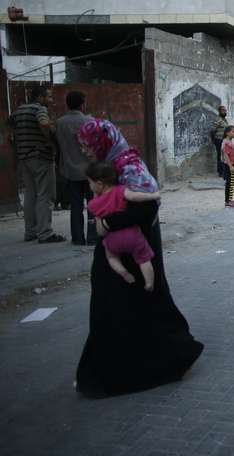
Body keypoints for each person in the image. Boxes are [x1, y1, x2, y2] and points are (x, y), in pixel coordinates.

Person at [75, 119, 203, 397]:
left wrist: (108, 224)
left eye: (88, 145)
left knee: (137, 307)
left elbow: (146, 207)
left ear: (102, 141)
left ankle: (159, 362)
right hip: (121, 249)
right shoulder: (108, 166)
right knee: (120, 310)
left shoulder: (128, 167)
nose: (85, 150)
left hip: (135, 251)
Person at [86, 162, 160, 291]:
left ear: (99, 184)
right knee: (144, 258)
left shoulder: (93, 204)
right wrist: (153, 195)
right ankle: (149, 282)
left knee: (112, 257)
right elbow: (135, 197)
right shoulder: (120, 191)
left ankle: (124, 273)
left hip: (112, 240)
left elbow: (101, 231)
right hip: (132, 235)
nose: (89, 186)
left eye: (90, 183)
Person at [9, 85, 65, 243]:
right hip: (40, 157)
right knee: (45, 195)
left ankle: (30, 232)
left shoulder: (18, 111)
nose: (51, 100)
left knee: (30, 194)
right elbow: (44, 124)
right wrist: (48, 139)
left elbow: (11, 130)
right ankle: (45, 233)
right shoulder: (39, 109)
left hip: (24, 158)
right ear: (40, 97)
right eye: (49, 97)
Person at [55, 90, 96, 245]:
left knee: (76, 205)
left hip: (70, 170)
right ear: (82, 104)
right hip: (89, 170)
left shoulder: (60, 123)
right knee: (93, 205)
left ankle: (78, 238)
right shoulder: (89, 121)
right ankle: (92, 237)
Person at [221, 126, 234, 208]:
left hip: (233, 164)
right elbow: (226, 156)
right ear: (227, 133)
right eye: (233, 131)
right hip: (229, 165)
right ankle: (227, 201)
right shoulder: (226, 142)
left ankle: (230, 199)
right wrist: (230, 166)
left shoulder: (229, 141)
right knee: (229, 183)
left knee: (232, 183)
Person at [209, 105, 228, 178]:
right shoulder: (218, 119)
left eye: (225, 110)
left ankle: (224, 170)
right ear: (219, 111)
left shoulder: (225, 120)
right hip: (219, 140)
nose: (224, 111)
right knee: (220, 156)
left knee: (224, 156)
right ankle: (220, 172)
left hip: (224, 140)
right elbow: (212, 130)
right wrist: (214, 140)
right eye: (223, 110)